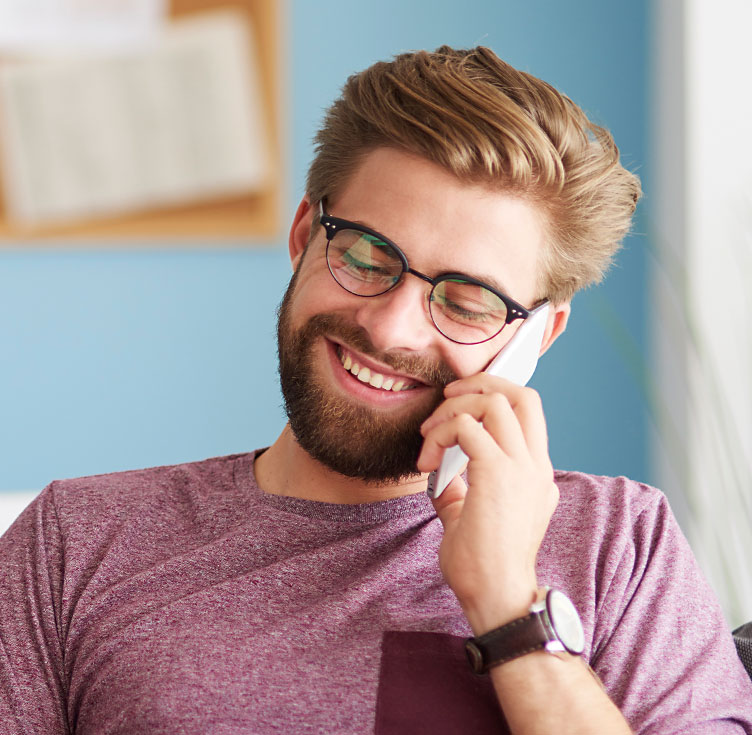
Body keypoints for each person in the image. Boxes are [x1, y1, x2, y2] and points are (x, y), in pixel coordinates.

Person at [1, 46, 750, 735]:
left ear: (537, 338)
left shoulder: (620, 546)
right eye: (365, 255)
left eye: (466, 300)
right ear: (303, 237)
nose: (392, 328)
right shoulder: (78, 540)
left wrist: (511, 607)